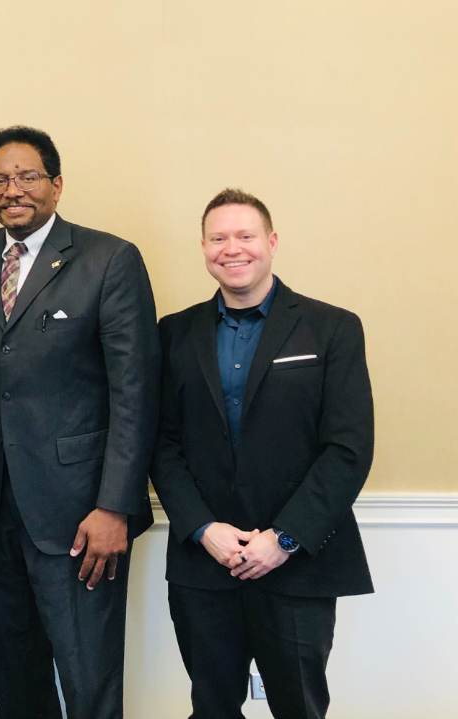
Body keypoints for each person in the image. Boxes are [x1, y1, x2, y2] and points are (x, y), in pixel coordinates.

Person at [0, 125, 161, 718]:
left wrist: (115, 506)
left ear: (57, 185)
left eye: (27, 176)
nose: (12, 189)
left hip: (80, 515)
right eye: (0, 178)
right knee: (13, 678)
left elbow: (135, 392)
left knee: (89, 681)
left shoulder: (109, 258)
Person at [150, 189, 374, 719]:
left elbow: (348, 448)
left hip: (297, 566)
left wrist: (285, 538)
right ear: (204, 248)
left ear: (271, 242)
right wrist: (203, 529)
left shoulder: (333, 328)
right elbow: (160, 443)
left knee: (300, 707)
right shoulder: (173, 333)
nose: (233, 249)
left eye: (245, 236)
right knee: (211, 707)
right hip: (205, 565)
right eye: (218, 238)